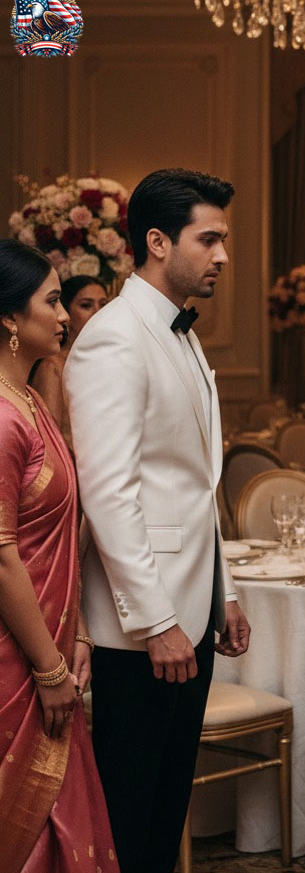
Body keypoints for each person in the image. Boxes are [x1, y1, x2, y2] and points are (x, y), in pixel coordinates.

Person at [63, 169, 251, 873]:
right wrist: (155, 620)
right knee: (130, 816)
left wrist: (224, 593)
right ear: (157, 241)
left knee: (167, 808)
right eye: (209, 239)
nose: (222, 255)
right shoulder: (114, 336)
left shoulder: (180, 331)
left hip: (191, 612)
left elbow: (196, 487)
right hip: (141, 630)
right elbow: (109, 494)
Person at [0, 239, 118, 871]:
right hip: (16, 660)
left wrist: (78, 634)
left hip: (50, 646)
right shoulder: (2, 417)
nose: (66, 314)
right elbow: (2, 556)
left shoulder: (30, 402)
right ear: (9, 319)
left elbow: (61, 534)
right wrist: (47, 669)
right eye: (51, 301)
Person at [30, 274, 108, 442]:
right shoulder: (53, 366)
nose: (98, 313)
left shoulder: (106, 360)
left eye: (103, 305)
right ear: (66, 311)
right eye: (86, 305)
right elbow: (51, 440)